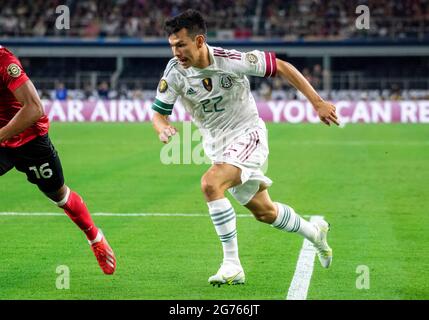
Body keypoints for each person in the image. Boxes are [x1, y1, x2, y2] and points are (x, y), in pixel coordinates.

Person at [151, 10, 339, 286]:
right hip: (218, 147)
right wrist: (162, 128)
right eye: (172, 46)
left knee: (210, 183)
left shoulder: (231, 61)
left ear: (199, 40)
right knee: (265, 212)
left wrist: (318, 103)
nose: (176, 52)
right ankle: (315, 234)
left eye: (181, 45)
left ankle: (232, 265)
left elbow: (283, 66)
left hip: (249, 135)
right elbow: (158, 112)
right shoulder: (175, 72)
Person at [0, 45, 116, 275]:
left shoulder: (4, 61)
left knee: (58, 195)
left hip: (29, 139)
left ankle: (95, 238)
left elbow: (33, 108)